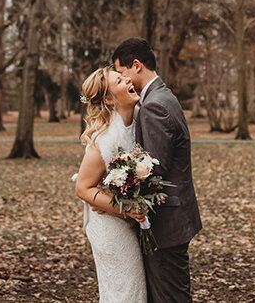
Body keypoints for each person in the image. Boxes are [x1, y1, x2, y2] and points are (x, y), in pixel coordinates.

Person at [113, 38, 202, 303]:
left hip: (165, 223)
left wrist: (110, 196)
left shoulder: (154, 105)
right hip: (174, 217)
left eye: (121, 73)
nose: (122, 79)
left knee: (170, 297)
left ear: (136, 66)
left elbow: (151, 171)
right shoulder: (163, 95)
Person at [75, 66, 148, 303]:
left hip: (125, 220)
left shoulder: (138, 118)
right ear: (108, 98)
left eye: (124, 76)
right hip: (108, 226)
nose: (128, 79)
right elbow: (83, 188)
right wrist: (125, 208)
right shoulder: (105, 139)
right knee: (126, 292)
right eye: (119, 80)